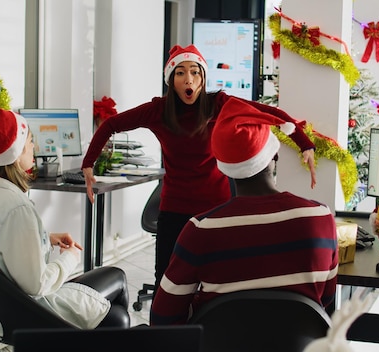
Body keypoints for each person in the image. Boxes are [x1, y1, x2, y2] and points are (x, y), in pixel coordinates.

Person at [81, 44, 317, 292]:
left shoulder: (219, 103)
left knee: (217, 282)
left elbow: (268, 112)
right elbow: (111, 125)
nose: (188, 79)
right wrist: (88, 164)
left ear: (203, 78)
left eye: (195, 72)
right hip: (174, 208)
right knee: (167, 283)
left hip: (216, 207)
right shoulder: (157, 111)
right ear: (171, 80)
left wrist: (305, 144)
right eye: (180, 73)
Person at [149, 97, 338, 325]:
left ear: (225, 170)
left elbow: (163, 317)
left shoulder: (201, 230)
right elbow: (325, 299)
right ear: (274, 155)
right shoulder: (320, 218)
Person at [0, 108, 130, 331]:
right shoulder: (17, 208)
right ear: (16, 152)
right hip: (34, 310)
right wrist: (70, 258)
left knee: (114, 291)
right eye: (30, 141)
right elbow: (37, 285)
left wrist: (45, 239)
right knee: (118, 284)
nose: (34, 147)